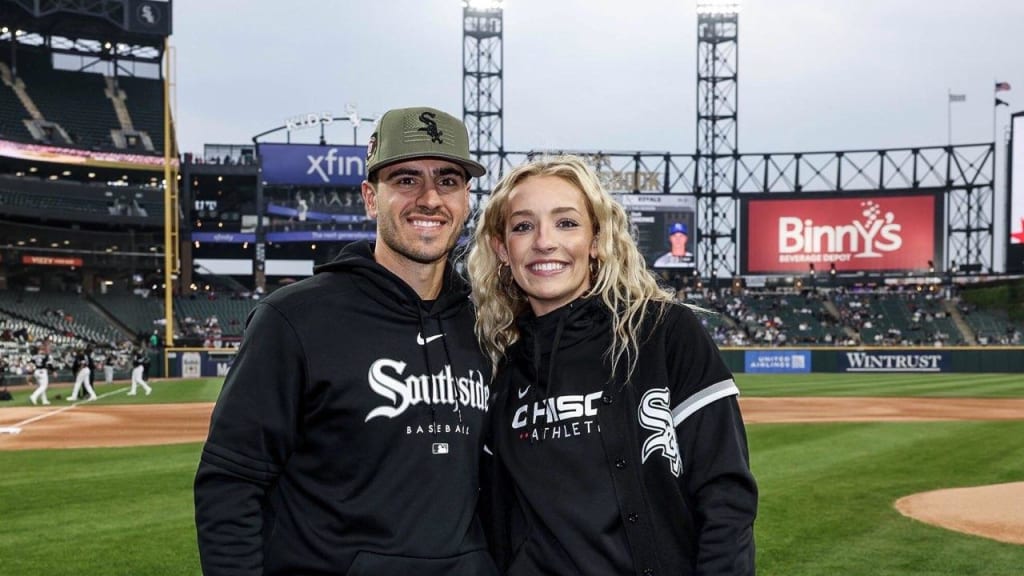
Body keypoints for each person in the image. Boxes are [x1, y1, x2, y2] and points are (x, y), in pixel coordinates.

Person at [194, 106, 498, 576]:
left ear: (466, 199)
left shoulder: (486, 323)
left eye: (448, 180)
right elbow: (231, 481)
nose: (430, 198)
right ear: (370, 198)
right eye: (405, 180)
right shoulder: (294, 319)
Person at [468, 155, 757, 575]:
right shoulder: (501, 370)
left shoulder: (663, 333)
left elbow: (726, 498)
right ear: (502, 250)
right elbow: (494, 523)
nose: (544, 241)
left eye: (566, 223)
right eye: (523, 226)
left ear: (598, 240)